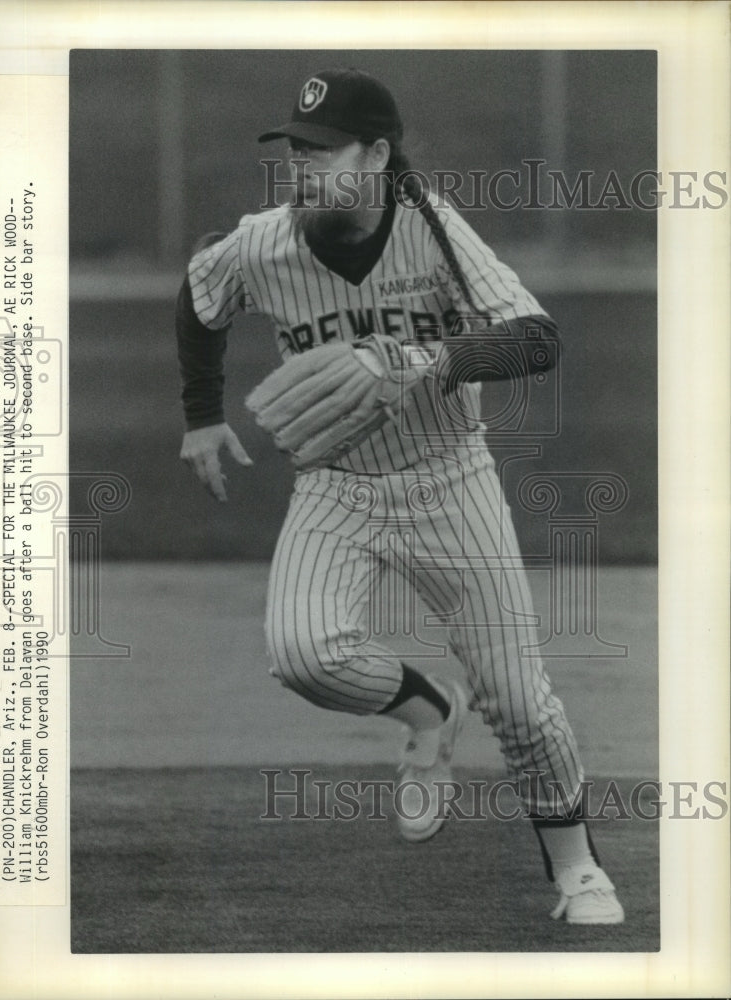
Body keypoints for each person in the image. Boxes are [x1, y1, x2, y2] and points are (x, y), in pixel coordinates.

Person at [176, 67, 624, 925]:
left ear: (377, 154)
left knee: (521, 703)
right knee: (303, 652)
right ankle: (429, 711)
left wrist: (425, 359)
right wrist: (200, 416)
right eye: (293, 152)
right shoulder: (262, 242)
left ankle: (576, 870)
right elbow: (199, 299)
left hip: (451, 478)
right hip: (335, 486)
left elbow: (536, 338)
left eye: (320, 151)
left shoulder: (433, 230)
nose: (302, 167)